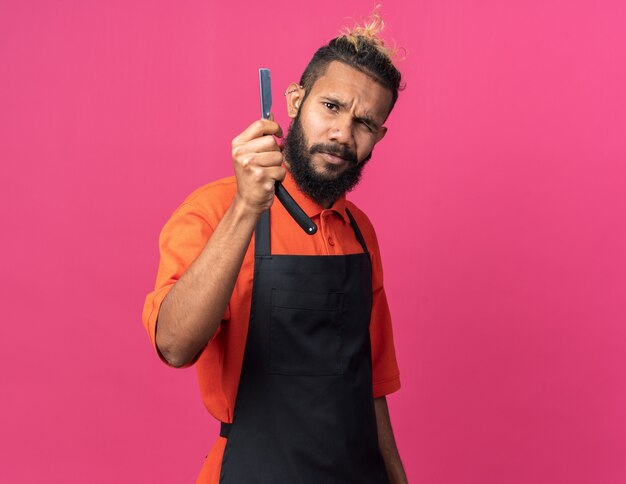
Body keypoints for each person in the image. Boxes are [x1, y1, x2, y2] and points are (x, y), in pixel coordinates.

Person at [142, 12, 408, 484]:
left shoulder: (361, 231)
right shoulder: (214, 208)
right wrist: (247, 206)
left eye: (364, 122)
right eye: (330, 106)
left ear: (378, 137)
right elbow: (174, 345)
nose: (343, 134)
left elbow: (372, 391)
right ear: (293, 100)